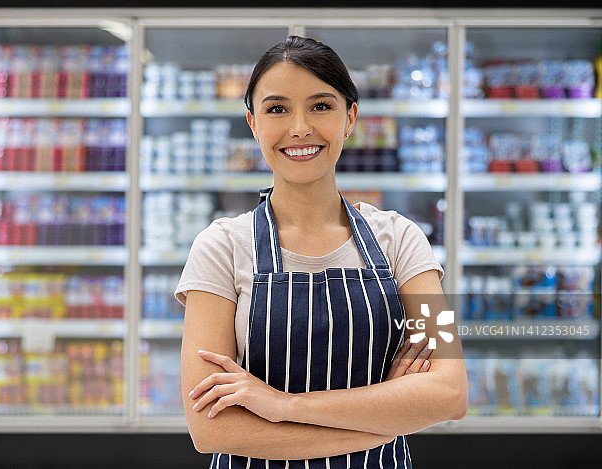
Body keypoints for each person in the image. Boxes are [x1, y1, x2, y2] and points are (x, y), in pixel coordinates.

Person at [175, 36, 467, 468]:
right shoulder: (221, 247)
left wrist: (283, 406)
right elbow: (212, 428)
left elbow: (450, 393)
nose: (299, 128)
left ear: (350, 118)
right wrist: (386, 419)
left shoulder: (402, 240)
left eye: (321, 106)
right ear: (253, 123)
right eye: (277, 109)